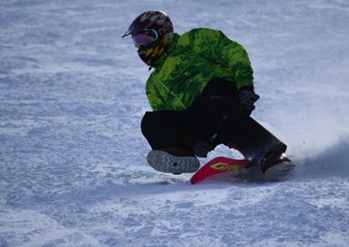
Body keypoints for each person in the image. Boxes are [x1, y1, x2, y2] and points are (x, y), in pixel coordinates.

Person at [122, 10, 294, 180]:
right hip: (198, 115)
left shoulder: (192, 40)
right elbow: (167, 115)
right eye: (137, 42)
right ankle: (180, 154)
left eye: (146, 38)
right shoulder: (153, 85)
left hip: (220, 93)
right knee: (152, 121)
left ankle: (270, 154)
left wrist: (245, 86)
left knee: (215, 109)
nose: (142, 47)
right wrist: (193, 140)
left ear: (164, 33)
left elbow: (233, 52)